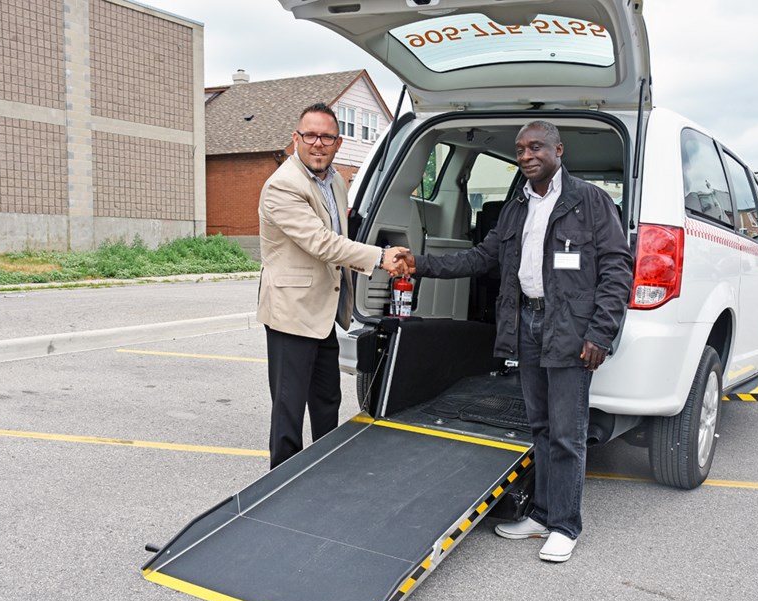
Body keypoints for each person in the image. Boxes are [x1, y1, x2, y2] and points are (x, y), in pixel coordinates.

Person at [394, 121, 632, 562]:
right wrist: (419, 265)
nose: (526, 155)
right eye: (520, 149)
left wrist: (601, 332)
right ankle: (541, 515)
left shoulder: (590, 202)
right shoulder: (516, 205)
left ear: (558, 150)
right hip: (527, 324)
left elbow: (618, 270)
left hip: (570, 329)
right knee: (538, 427)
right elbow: (482, 256)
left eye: (535, 147)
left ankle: (565, 524)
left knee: (567, 432)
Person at [257, 102, 407, 470]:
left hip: (324, 310)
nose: (318, 143)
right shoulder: (282, 186)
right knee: (289, 407)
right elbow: (322, 242)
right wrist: (379, 256)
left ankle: (324, 472)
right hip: (291, 312)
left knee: (327, 398)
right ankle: (282, 483)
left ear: (338, 142)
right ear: (296, 138)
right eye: (310, 135)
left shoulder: (336, 180)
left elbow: (342, 231)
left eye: (326, 136)